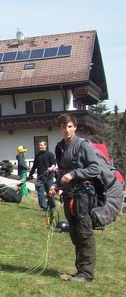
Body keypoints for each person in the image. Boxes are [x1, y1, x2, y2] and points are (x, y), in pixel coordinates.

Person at [48, 114, 100, 283]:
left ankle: (86, 274)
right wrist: (56, 185)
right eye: (63, 127)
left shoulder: (83, 145)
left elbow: (95, 168)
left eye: (70, 126)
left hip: (83, 195)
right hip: (68, 195)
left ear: (75, 127)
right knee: (75, 234)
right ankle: (80, 271)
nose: (67, 130)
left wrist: (74, 174)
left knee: (85, 234)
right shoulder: (60, 147)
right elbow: (62, 171)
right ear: (59, 129)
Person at [28, 140, 57, 210]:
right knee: (40, 193)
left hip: (48, 177)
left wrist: (51, 168)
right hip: (40, 177)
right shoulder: (37, 156)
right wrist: (30, 175)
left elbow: (54, 163)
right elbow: (34, 166)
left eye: (41, 145)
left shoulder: (50, 154)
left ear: (45, 146)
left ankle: (52, 206)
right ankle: (44, 207)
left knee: (50, 193)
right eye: (39, 145)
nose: (40, 146)